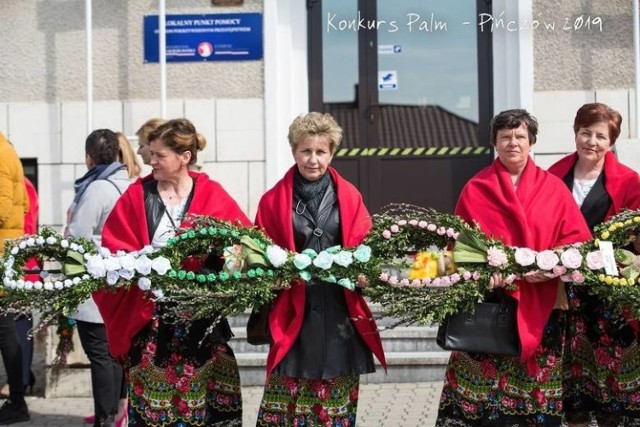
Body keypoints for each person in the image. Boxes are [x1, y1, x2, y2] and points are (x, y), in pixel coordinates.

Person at [435, 109, 592, 426]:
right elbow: (459, 248)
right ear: (494, 142)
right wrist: (485, 272)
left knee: (535, 393)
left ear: (531, 141)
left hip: (542, 302)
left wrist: (550, 266)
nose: (513, 143)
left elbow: (577, 241)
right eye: (505, 136)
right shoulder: (476, 188)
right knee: (476, 397)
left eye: (520, 136)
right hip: (487, 305)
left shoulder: (553, 188)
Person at [94, 118, 248, 426]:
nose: (151, 161)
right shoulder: (137, 195)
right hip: (152, 326)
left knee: (206, 412)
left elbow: (242, 245)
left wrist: (226, 267)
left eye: (159, 155)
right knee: (155, 413)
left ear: (185, 157)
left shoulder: (213, 195)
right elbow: (113, 251)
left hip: (202, 326)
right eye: (150, 153)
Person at [253, 112, 387, 426]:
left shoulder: (350, 196)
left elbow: (368, 246)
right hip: (293, 315)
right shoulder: (272, 201)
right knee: (285, 408)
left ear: (331, 153)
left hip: (339, 315)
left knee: (335, 410)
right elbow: (256, 253)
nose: (313, 160)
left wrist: (366, 272)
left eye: (321, 152)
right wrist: (270, 277)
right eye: (306, 151)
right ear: (294, 151)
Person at [548, 102, 640, 427]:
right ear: (575, 133)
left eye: (600, 136)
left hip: (609, 298)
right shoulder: (553, 175)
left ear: (611, 141)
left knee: (613, 378)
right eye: (585, 133)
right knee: (572, 378)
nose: (591, 141)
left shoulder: (630, 181)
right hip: (565, 294)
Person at [65, 129, 131, 427]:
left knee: (100, 354)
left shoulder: (96, 189)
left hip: (95, 281)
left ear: (88, 158)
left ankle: (106, 418)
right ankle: (116, 412)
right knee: (114, 352)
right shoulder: (126, 184)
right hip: (120, 280)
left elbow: (79, 235)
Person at [0, 132, 30, 425]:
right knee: (6, 331)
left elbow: (3, 208)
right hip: (5, 256)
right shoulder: (7, 149)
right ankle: (17, 400)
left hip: (0, 257)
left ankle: (18, 401)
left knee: (6, 331)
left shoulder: (0, 154)